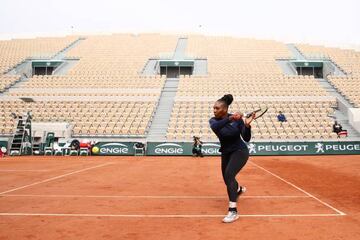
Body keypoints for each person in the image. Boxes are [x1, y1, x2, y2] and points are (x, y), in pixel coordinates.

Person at [209, 94, 255, 223]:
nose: (214, 110)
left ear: (224, 109)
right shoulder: (213, 121)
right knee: (227, 179)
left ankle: (233, 211)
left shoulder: (238, 120)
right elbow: (217, 127)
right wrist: (231, 118)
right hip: (226, 152)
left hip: (240, 151)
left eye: (217, 108)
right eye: (213, 108)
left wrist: (247, 125)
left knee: (229, 175)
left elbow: (246, 138)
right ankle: (238, 189)